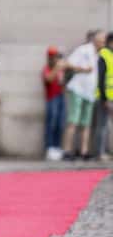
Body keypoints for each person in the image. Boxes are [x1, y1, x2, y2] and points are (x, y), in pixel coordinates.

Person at [62, 30, 102, 160]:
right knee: (73, 120)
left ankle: (84, 151)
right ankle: (67, 151)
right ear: (95, 40)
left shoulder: (99, 54)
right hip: (78, 89)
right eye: (101, 40)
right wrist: (83, 69)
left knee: (86, 123)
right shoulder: (83, 50)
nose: (102, 42)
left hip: (89, 93)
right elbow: (67, 64)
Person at [42, 46, 66, 161]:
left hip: (61, 97)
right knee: (52, 123)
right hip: (52, 99)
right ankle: (50, 148)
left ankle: (57, 147)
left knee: (60, 124)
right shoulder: (46, 69)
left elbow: (63, 83)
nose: (55, 58)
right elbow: (49, 79)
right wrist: (57, 68)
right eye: (53, 56)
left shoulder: (60, 70)